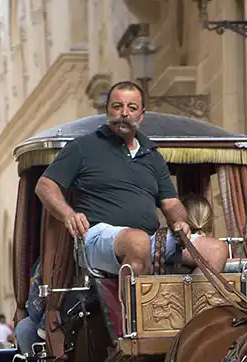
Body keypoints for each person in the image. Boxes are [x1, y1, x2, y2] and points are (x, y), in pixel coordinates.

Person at [35, 80, 228, 277]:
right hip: (97, 239)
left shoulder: (152, 155)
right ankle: (132, 308)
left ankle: (190, 307)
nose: (124, 113)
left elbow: (170, 203)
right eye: (117, 106)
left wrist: (180, 222)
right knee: (138, 241)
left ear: (141, 114)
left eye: (132, 107)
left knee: (216, 251)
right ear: (107, 110)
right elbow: (45, 185)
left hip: (149, 240)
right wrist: (69, 215)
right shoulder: (83, 147)